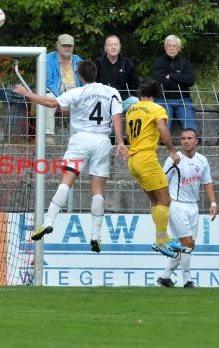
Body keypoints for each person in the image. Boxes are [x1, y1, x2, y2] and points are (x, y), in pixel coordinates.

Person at [14, 60, 127, 253]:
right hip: (102, 141)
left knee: (66, 181)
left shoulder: (78, 92)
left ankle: (48, 221)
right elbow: (117, 116)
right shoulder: (112, 92)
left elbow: (51, 103)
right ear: (96, 73)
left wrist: (27, 94)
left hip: (80, 140)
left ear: (79, 75)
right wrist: (121, 142)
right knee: (98, 190)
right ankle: (95, 235)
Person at [125, 79, 189, 258]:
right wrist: (172, 151)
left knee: (155, 201)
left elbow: (130, 134)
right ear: (157, 94)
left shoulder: (132, 109)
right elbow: (162, 128)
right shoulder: (157, 109)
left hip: (133, 159)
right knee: (165, 200)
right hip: (147, 158)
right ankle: (161, 240)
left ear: (140, 93)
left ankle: (163, 238)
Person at [157, 128, 217, 288]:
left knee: (188, 245)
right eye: (183, 138)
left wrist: (213, 203)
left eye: (189, 138)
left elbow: (207, 182)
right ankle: (187, 281)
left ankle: (164, 277)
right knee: (187, 242)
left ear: (196, 141)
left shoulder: (202, 160)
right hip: (176, 204)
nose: (186, 141)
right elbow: (162, 181)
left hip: (193, 206)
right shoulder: (173, 159)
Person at [95, 35, 140, 145]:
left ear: (120, 48)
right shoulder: (98, 63)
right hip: (103, 100)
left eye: (116, 44)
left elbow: (135, 83)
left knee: (136, 103)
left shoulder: (127, 63)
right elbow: (93, 83)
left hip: (123, 100)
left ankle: (131, 136)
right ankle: (108, 136)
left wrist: (128, 94)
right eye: (110, 45)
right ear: (105, 48)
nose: (113, 47)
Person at [152, 35, 199, 136]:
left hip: (183, 100)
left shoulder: (185, 63)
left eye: (174, 46)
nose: (172, 48)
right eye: (169, 46)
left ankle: (194, 144)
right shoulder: (159, 62)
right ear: (165, 47)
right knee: (164, 125)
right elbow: (159, 81)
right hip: (163, 99)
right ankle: (163, 145)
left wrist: (172, 76)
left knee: (190, 124)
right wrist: (180, 81)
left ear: (179, 48)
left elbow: (191, 80)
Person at [45, 34, 83, 144]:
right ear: (58, 46)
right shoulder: (49, 59)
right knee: (48, 98)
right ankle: (48, 134)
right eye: (64, 45)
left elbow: (84, 81)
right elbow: (48, 82)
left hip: (75, 92)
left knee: (85, 101)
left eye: (70, 46)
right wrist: (62, 99)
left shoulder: (78, 61)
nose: (67, 48)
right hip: (56, 91)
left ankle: (78, 136)